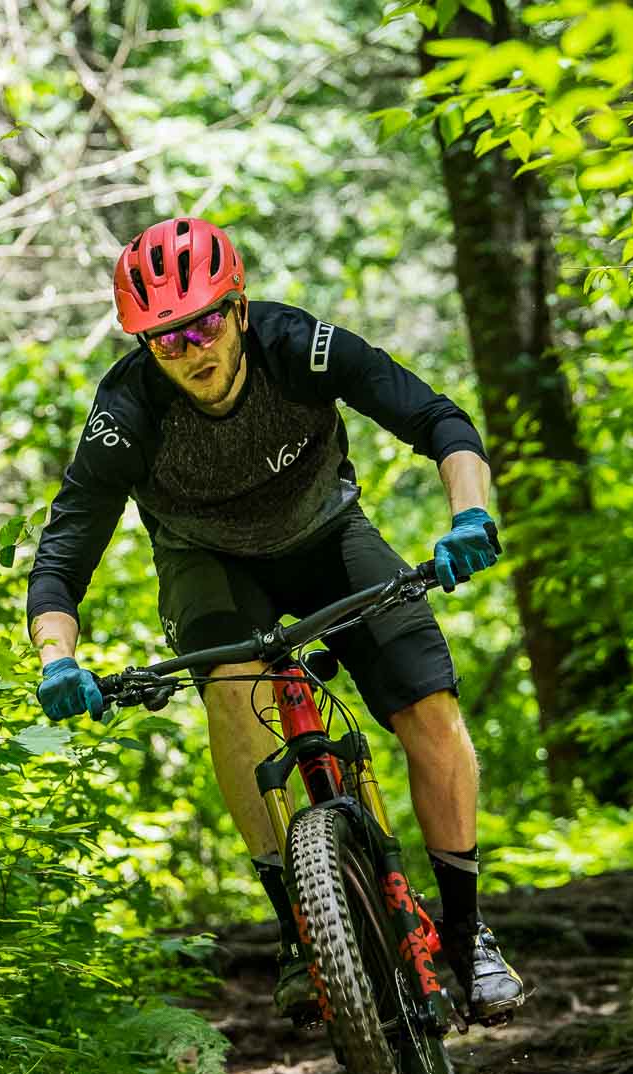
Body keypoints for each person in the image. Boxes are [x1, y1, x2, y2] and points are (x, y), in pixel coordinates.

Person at [26, 216, 528, 1023]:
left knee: (428, 705)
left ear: (240, 308)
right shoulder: (127, 412)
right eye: (166, 339)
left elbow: (440, 421)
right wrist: (58, 661)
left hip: (328, 536)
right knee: (232, 689)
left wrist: (468, 516)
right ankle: (301, 930)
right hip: (208, 563)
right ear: (145, 345)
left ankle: (469, 935)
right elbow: (61, 561)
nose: (192, 350)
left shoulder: (300, 348)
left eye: (205, 324)